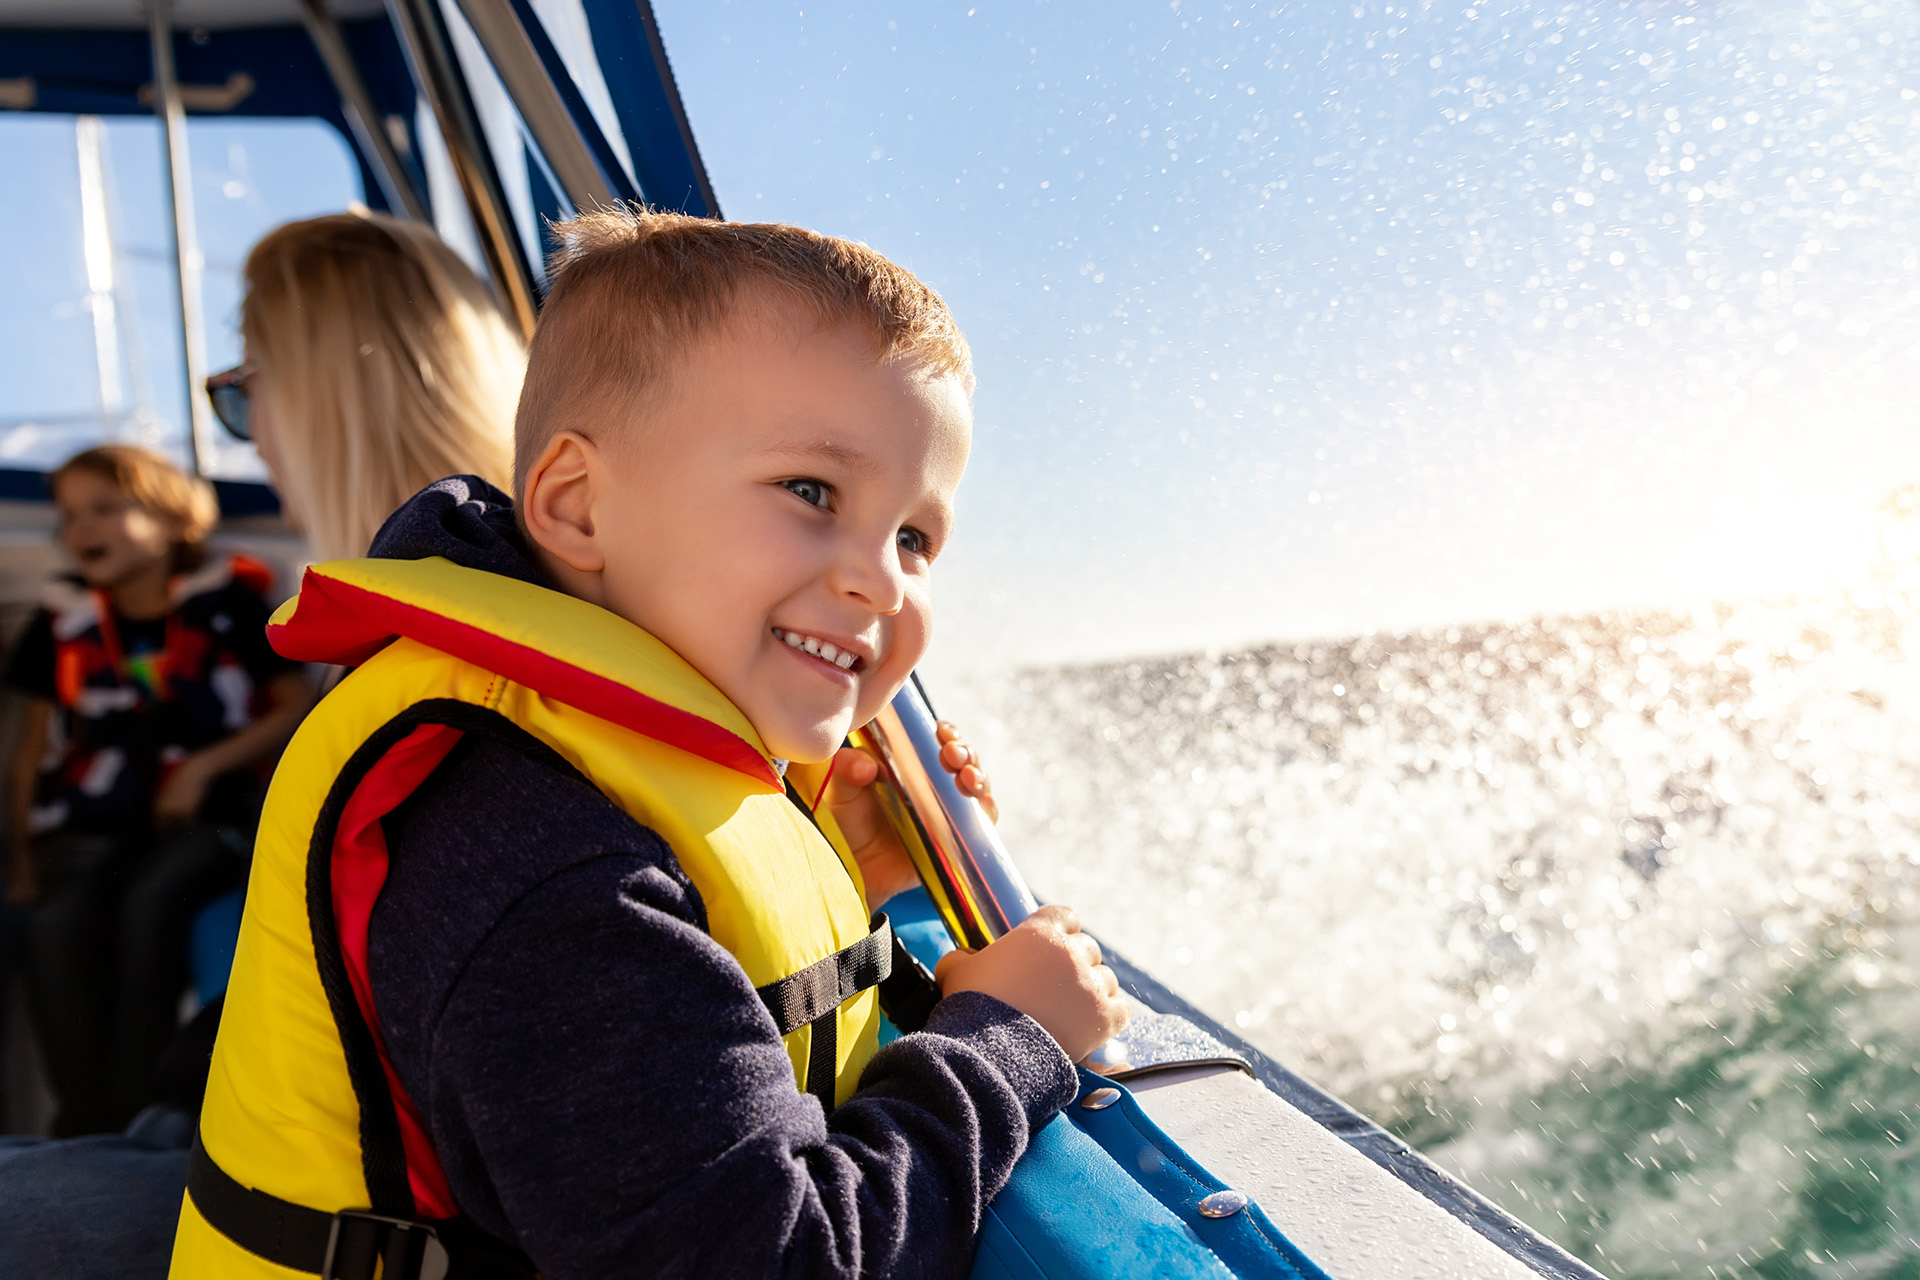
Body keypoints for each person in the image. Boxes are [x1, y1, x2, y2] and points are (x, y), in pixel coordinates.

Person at [174, 207, 1129, 1280]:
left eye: (915, 534)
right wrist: (1005, 1041)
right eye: (811, 491)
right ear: (577, 506)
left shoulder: (575, 802)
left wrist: (841, 875)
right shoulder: (541, 852)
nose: (882, 577)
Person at [0, 212, 526, 1279]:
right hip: (238, 1123)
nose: (257, 437)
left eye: (250, 396)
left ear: (325, 398)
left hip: (319, 1201)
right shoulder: (434, 631)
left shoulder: (443, 669)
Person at [2, 446, 311, 1136]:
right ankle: (84, 1127)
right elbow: (28, 755)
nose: (83, 529)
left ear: (173, 520)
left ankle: (140, 1118)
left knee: (151, 903)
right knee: (54, 926)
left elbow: (293, 704)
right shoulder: (58, 624)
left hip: (205, 817)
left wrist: (202, 768)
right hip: (96, 826)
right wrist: (21, 863)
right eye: (69, 516)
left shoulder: (228, 604)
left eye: (106, 510)